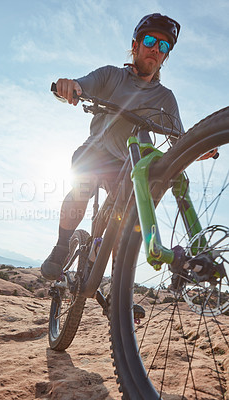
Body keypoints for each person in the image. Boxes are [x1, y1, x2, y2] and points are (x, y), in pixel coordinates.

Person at [41, 13, 184, 281]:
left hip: (129, 167)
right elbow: (81, 86)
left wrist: (203, 150)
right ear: (135, 46)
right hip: (96, 152)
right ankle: (61, 246)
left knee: (127, 223)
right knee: (82, 183)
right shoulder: (111, 75)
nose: (155, 48)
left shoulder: (166, 98)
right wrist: (70, 87)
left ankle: (118, 289)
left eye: (163, 46)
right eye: (151, 41)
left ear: (165, 56)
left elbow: (181, 142)